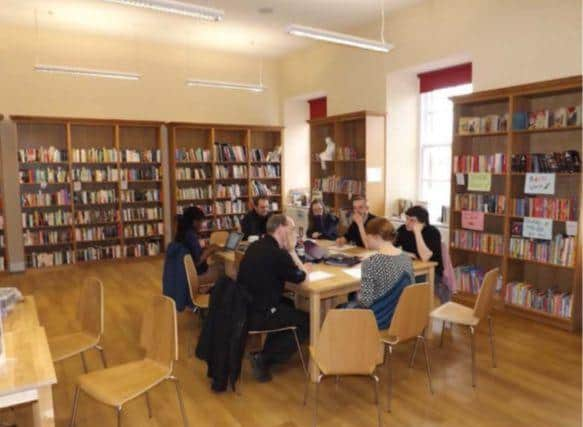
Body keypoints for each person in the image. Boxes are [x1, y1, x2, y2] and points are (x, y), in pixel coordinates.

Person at [237, 214, 311, 382]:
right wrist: (292, 251)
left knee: (289, 304)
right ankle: (265, 358)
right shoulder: (279, 254)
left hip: (244, 307)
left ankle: (266, 352)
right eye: (291, 229)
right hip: (260, 314)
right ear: (281, 229)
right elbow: (302, 278)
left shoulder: (255, 246)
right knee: (307, 321)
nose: (294, 234)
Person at [345, 218, 414, 329]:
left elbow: (365, 302)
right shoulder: (406, 259)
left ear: (376, 237)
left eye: (368, 237)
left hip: (377, 319)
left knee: (341, 307)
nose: (366, 240)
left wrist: (358, 293)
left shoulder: (371, 262)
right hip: (400, 317)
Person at [394, 205, 449, 302]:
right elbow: (388, 247)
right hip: (412, 268)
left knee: (408, 285)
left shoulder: (432, 232)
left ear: (422, 223)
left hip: (431, 272)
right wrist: (406, 253)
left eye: (412, 220)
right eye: (406, 218)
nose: (407, 222)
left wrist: (417, 232)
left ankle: (414, 309)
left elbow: (425, 257)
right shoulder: (403, 229)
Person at [175, 206, 221, 285]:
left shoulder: (181, 234)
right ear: (195, 222)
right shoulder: (191, 236)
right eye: (201, 222)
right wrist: (210, 250)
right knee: (223, 270)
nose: (202, 225)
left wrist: (205, 249)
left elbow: (192, 254)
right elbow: (197, 262)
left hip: (183, 274)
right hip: (195, 275)